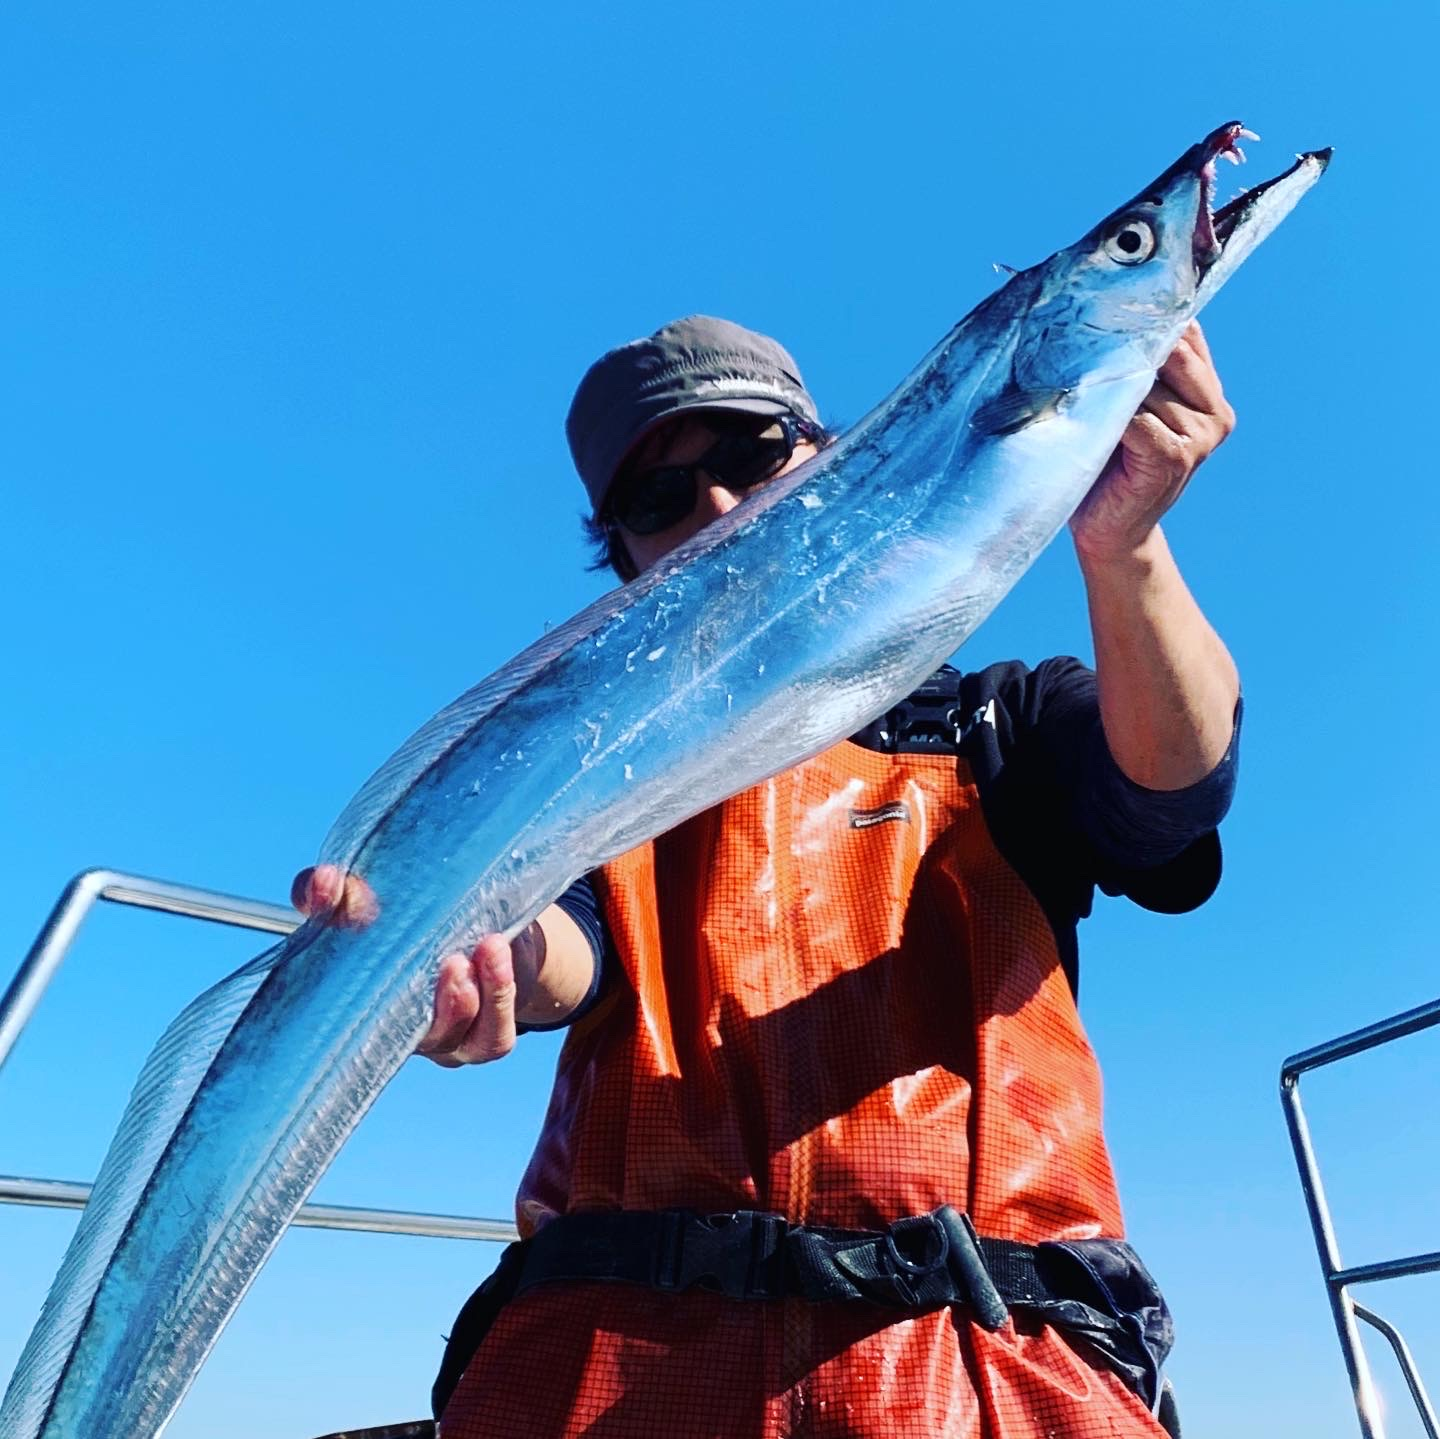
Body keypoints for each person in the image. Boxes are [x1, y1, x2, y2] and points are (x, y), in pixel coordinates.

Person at [296, 315, 1240, 1438]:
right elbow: (566, 947)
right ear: (625, 555)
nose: (716, 513)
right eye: (658, 500)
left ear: (829, 458)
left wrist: (1124, 545)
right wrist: (473, 954)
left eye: (751, 455)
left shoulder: (1000, 721)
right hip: (619, 1388)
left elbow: (1167, 794)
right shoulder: (598, 786)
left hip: (982, 1380)